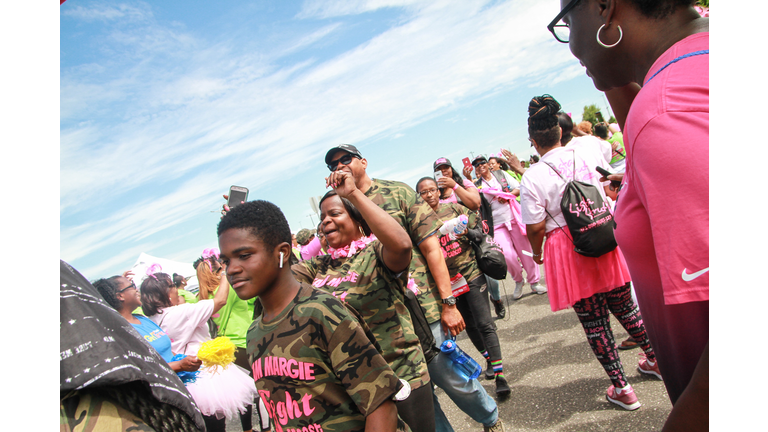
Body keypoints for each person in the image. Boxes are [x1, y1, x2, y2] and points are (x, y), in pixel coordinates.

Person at [551, 0, 709, 428]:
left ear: (604, 7)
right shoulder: (702, 59)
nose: (570, 46)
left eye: (565, 22)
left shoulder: (666, 112)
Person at [325, 144, 503, 432]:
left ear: (364, 162)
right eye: (333, 165)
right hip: (384, 323)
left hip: (423, 307)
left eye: (345, 159)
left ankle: (490, 418)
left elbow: (432, 248)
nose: (339, 167)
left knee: (452, 377)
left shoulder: (398, 192)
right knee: (417, 398)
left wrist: (448, 303)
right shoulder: (337, 208)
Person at [520, 94, 661, 411]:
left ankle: (622, 388)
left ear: (533, 140)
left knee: (594, 322)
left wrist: (538, 254)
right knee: (625, 307)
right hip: (602, 232)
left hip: (566, 247)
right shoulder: (584, 153)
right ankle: (656, 360)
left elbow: (535, 227)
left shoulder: (533, 176)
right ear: (559, 130)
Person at [217, 200, 408, 432]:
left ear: (282, 253)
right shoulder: (254, 333)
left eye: (244, 255)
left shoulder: (320, 312)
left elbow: (381, 406)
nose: (232, 269)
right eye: (226, 261)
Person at [292, 172, 435, 432]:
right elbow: (277, 281)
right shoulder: (317, 267)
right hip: (353, 389)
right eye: (322, 218)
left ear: (358, 219)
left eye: (335, 214)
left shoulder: (376, 252)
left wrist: (353, 195)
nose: (326, 221)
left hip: (399, 374)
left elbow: (403, 246)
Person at [63, 261, 206, 432]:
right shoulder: (118, 331)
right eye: (132, 286)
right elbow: (138, 369)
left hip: (184, 384)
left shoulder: (143, 319)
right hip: (162, 396)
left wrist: (184, 359)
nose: (137, 288)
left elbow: (165, 349)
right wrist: (179, 365)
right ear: (120, 296)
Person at [416, 177, 510, 398]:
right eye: (423, 192)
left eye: (432, 190)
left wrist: (465, 231)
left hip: (471, 273)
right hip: (447, 284)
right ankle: (489, 359)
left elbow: (481, 234)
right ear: (418, 197)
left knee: (485, 323)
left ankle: (500, 375)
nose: (429, 195)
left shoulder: (456, 209)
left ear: (439, 192)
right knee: (469, 327)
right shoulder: (419, 223)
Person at [141, 271, 259, 432]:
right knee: (216, 425)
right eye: (173, 286)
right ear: (166, 292)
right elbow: (220, 300)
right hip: (201, 374)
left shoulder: (149, 321)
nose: (176, 290)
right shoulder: (181, 313)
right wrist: (225, 274)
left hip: (181, 376)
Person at [194, 249, 270, 432]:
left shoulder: (200, 298)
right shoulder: (231, 289)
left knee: (244, 392)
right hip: (246, 341)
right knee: (262, 390)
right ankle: (267, 429)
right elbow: (255, 301)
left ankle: (247, 429)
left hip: (226, 349)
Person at [472, 155, 544, 300]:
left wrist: (508, 195)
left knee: (526, 252)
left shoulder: (501, 175)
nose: (480, 166)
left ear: (488, 165)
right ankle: (518, 280)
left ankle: (534, 282)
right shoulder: (477, 185)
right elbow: (475, 203)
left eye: (482, 163)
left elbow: (518, 187)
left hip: (513, 219)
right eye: (477, 165)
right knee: (508, 255)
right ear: (476, 169)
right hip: (496, 225)